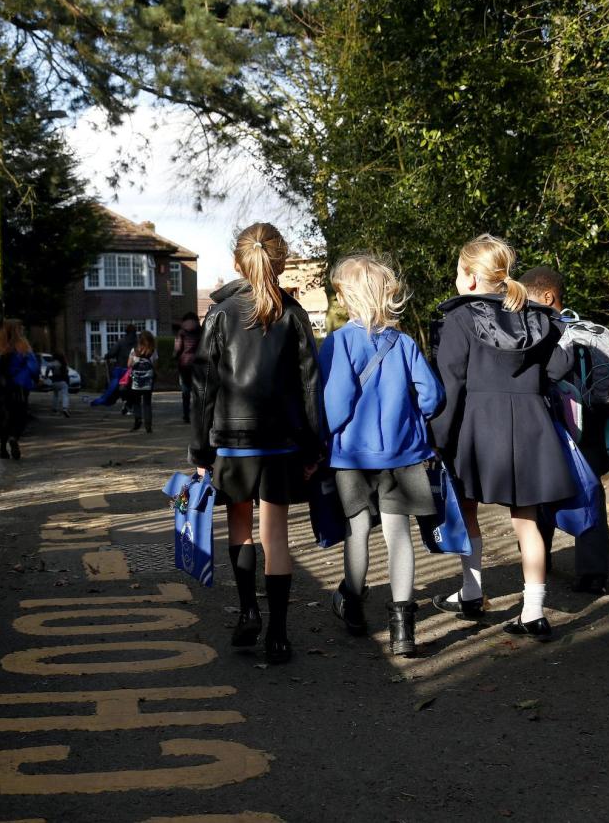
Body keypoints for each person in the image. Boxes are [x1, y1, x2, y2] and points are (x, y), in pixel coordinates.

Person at [188, 222, 323, 664]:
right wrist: (312, 446)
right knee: (277, 537)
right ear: (281, 261)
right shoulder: (293, 313)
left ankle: (248, 610)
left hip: (231, 442)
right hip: (281, 444)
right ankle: (280, 635)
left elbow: (204, 386)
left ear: (236, 262)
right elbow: (310, 386)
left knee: (241, 530)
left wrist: (201, 454)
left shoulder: (221, 313)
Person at [429, 235, 576, 640]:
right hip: (530, 427)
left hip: (475, 428)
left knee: (467, 509)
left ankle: (472, 593)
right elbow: (559, 367)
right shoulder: (539, 318)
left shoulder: (458, 319)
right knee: (527, 523)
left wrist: (438, 437)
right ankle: (533, 611)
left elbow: (451, 384)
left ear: (472, 278)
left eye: (459, 272)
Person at [318, 254, 444, 656]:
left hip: (352, 456)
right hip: (403, 454)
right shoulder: (404, 343)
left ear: (348, 297)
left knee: (356, 531)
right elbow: (433, 396)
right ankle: (403, 631)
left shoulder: (338, 342)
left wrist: (327, 435)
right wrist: (414, 417)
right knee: (398, 535)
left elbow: (335, 401)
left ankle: (354, 608)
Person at [519, 264, 609, 594]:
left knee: (537, 497)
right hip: (591, 431)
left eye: (528, 299)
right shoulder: (591, 333)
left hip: (548, 430)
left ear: (548, 296)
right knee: (591, 496)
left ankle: (538, 561)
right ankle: (593, 574)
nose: (522, 306)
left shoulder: (534, 333)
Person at [0, 319, 40, 460]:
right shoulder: (23, 345)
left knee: (6, 416)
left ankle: (2, 449)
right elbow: (33, 366)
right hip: (20, 386)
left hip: (4, 387)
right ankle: (14, 437)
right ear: (18, 329)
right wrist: (36, 378)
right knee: (21, 415)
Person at [128, 330, 158, 433]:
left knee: (136, 402)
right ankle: (148, 426)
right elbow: (154, 366)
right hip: (148, 382)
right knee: (147, 403)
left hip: (136, 381)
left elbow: (129, 365)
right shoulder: (153, 351)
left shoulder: (134, 350)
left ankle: (137, 421)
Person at [174, 311, 202, 423]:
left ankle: (186, 415)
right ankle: (198, 414)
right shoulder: (201, 331)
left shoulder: (181, 332)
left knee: (185, 391)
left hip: (184, 364)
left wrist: (175, 357)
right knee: (198, 391)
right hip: (198, 363)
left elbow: (178, 348)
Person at [108, 324, 138, 415]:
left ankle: (125, 403)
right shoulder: (138, 343)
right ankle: (130, 405)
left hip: (122, 369)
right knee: (133, 389)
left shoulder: (121, 342)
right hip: (134, 369)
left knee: (123, 388)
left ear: (126, 332)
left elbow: (112, 353)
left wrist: (106, 356)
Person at [49, 352, 71, 418]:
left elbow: (48, 369)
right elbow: (67, 372)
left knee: (55, 395)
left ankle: (54, 409)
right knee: (65, 395)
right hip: (62, 381)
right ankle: (65, 408)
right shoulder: (63, 363)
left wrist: (47, 376)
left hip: (54, 382)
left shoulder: (52, 363)